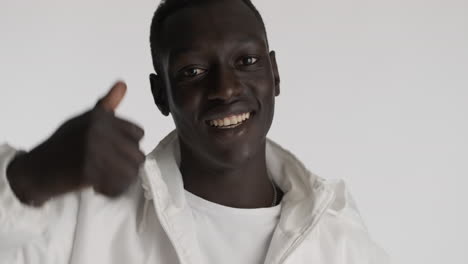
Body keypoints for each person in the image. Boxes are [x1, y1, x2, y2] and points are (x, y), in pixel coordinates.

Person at [0, 0, 389, 263]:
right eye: (192, 72)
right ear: (160, 94)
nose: (226, 89)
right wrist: (34, 174)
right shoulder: (90, 213)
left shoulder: (337, 237)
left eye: (246, 60)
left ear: (274, 74)